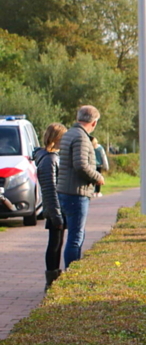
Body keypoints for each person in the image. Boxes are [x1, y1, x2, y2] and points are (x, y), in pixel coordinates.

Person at [56, 106, 104, 268]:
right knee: (76, 237)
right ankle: (72, 272)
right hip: (76, 192)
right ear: (94, 122)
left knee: (75, 235)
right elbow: (81, 165)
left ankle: (70, 271)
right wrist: (97, 177)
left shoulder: (69, 134)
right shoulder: (82, 138)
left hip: (66, 190)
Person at [33, 123, 67, 289]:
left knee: (56, 243)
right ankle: (51, 279)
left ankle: (53, 276)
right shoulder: (49, 159)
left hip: (56, 207)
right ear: (57, 138)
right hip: (55, 208)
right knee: (54, 243)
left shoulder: (49, 157)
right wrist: (56, 214)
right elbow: (50, 189)